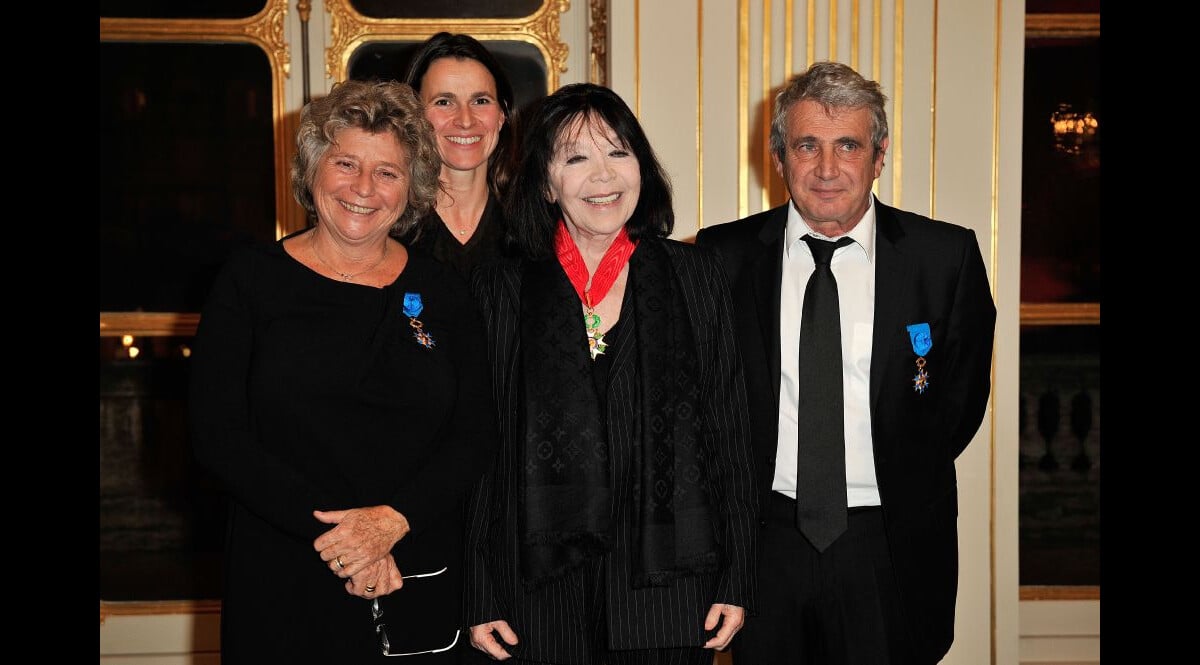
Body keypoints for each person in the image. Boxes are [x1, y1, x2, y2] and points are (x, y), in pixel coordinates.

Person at [696, 61, 997, 665]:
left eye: (847, 146)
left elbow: (957, 407)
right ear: (778, 157)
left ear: (879, 156)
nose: (827, 169)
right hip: (763, 542)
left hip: (889, 542)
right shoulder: (720, 258)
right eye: (807, 145)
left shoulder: (945, 258)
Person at [188, 79, 497, 663]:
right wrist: (348, 540)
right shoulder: (249, 280)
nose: (364, 189)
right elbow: (219, 436)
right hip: (282, 573)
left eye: (388, 173)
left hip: (416, 568)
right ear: (312, 170)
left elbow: (475, 433)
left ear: (413, 190)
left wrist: (391, 523)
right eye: (347, 164)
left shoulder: (445, 291)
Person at [464, 83, 759, 665]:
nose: (603, 175)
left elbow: (730, 432)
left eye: (618, 152)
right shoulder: (504, 288)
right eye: (576, 157)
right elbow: (482, 451)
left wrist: (738, 576)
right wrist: (479, 590)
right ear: (546, 183)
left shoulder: (695, 275)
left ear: (642, 167)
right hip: (535, 596)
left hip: (668, 588)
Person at [401, 31, 518, 278]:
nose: (465, 120)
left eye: (481, 101)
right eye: (444, 102)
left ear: (501, 116)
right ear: (414, 117)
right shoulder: (390, 222)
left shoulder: (532, 224)